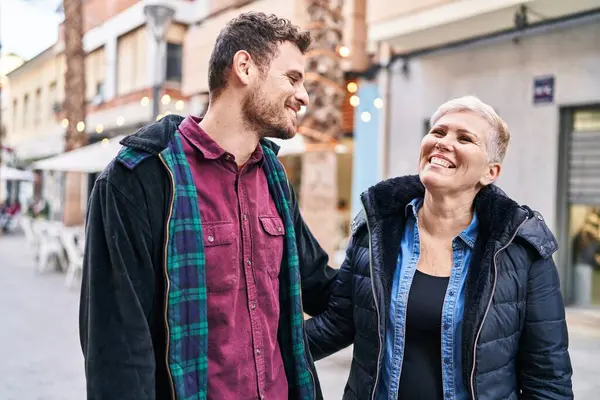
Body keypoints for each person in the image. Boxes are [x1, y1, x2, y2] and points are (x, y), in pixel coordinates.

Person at [80, 12, 336, 400]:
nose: (303, 95)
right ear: (245, 67)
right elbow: (117, 349)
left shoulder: (274, 177)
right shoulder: (138, 177)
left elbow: (321, 287)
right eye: (292, 78)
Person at [305, 96, 573, 399]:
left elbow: (548, 379)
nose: (443, 143)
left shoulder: (521, 250)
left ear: (490, 172)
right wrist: (253, 352)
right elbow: (337, 323)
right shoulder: (377, 231)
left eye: (464, 138)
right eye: (438, 132)